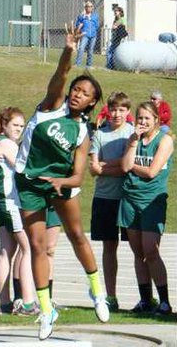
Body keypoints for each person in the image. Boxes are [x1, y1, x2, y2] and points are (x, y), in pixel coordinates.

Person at [15, 24, 109, 341]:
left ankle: (97, 290)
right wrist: (69, 50)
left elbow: (78, 175)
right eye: (76, 89)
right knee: (38, 246)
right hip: (29, 181)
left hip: (61, 184)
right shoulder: (51, 105)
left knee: (77, 234)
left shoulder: (82, 132)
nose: (77, 94)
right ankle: (46, 310)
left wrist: (61, 180)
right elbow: (60, 75)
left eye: (85, 93)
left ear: (92, 103)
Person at [118, 101, 174, 315]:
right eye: (140, 118)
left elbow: (152, 172)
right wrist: (133, 142)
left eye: (147, 118)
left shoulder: (165, 140)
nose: (142, 122)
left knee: (151, 250)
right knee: (137, 252)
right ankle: (145, 299)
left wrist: (131, 165)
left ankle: (165, 301)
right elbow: (124, 167)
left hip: (152, 201)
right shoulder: (133, 139)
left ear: (156, 120)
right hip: (130, 198)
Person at [0, 107, 39, 316]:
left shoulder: (0, 142)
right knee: (28, 249)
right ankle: (27, 303)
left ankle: (5, 304)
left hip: (3, 201)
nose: (19, 129)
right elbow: (23, 167)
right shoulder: (6, 144)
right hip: (10, 202)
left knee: (6, 251)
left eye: (21, 125)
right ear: (4, 125)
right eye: (15, 125)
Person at [89, 92, 134, 311]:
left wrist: (107, 166)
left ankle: (146, 297)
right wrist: (118, 166)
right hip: (104, 198)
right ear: (108, 110)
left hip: (127, 198)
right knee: (109, 247)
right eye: (113, 109)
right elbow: (93, 169)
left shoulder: (131, 133)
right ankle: (111, 295)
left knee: (138, 248)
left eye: (121, 110)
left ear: (128, 112)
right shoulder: (100, 134)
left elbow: (129, 166)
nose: (117, 114)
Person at [75, 0, 99, 69]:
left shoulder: (95, 15)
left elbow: (97, 25)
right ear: (85, 7)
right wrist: (81, 21)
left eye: (91, 6)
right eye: (88, 6)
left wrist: (89, 18)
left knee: (90, 50)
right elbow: (77, 24)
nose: (89, 8)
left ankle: (89, 65)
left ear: (92, 8)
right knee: (81, 48)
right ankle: (78, 64)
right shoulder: (81, 16)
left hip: (93, 35)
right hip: (85, 34)